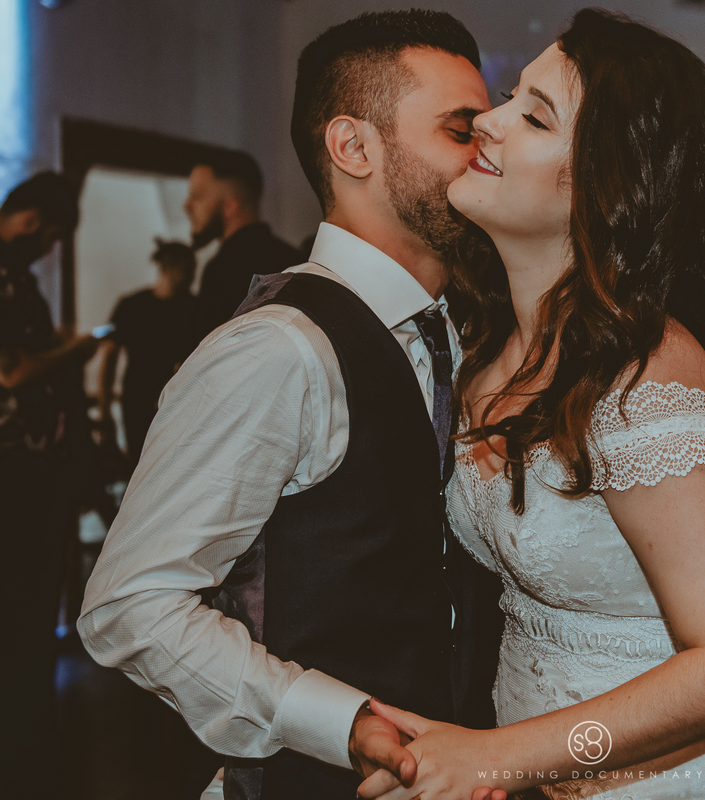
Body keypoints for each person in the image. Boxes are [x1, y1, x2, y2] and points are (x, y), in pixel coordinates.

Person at [358, 10, 705, 799]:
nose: (484, 123)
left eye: (532, 116)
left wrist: (500, 757)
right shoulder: (493, 353)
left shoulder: (644, 381)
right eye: (507, 97)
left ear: (605, 182)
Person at [79, 12, 506, 800]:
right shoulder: (280, 350)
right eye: (460, 129)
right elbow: (129, 604)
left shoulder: (455, 334)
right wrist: (337, 721)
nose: (490, 150)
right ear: (354, 148)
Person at [0, 172, 95, 799]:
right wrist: (74, 353)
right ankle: (19, 750)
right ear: (30, 221)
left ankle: (25, 740)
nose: (49, 250)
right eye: (52, 237)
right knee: (19, 611)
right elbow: (9, 370)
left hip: (31, 467)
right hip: (14, 466)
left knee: (25, 611)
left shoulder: (14, 276)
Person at [97, 239, 202, 457]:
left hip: (179, 401)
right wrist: (104, 407)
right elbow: (109, 356)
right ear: (169, 268)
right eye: (189, 270)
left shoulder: (194, 308)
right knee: (140, 461)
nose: (193, 277)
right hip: (137, 400)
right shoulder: (132, 306)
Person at [186, 149, 302, 334]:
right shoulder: (294, 258)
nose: (186, 206)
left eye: (197, 196)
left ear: (230, 205)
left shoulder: (221, 269)